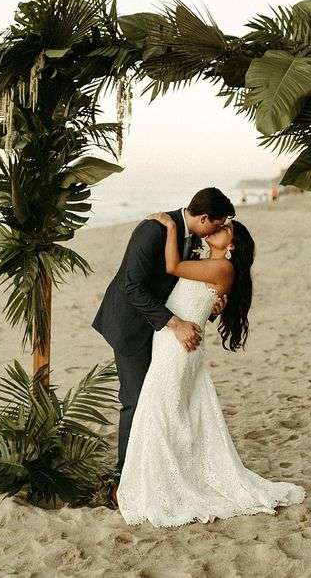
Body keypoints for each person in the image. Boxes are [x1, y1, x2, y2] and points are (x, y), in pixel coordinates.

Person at [115, 209, 306, 527]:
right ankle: (159, 477)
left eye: (227, 228)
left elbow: (172, 267)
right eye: (221, 223)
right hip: (172, 340)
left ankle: (159, 484)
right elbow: (193, 297)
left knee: (160, 411)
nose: (220, 227)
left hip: (179, 346)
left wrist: (169, 227)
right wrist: (214, 305)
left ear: (232, 245)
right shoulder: (209, 263)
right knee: (165, 411)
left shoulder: (221, 266)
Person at [91, 187, 235, 500]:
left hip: (163, 331)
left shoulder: (196, 237)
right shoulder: (153, 230)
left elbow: (185, 287)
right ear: (204, 218)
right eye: (218, 224)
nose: (220, 231)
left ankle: (157, 470)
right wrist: (176, 323)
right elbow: (132, 287)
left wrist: (210, 307)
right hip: (131, 325)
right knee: (136, 399)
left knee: (159, 401)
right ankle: (123, 480)